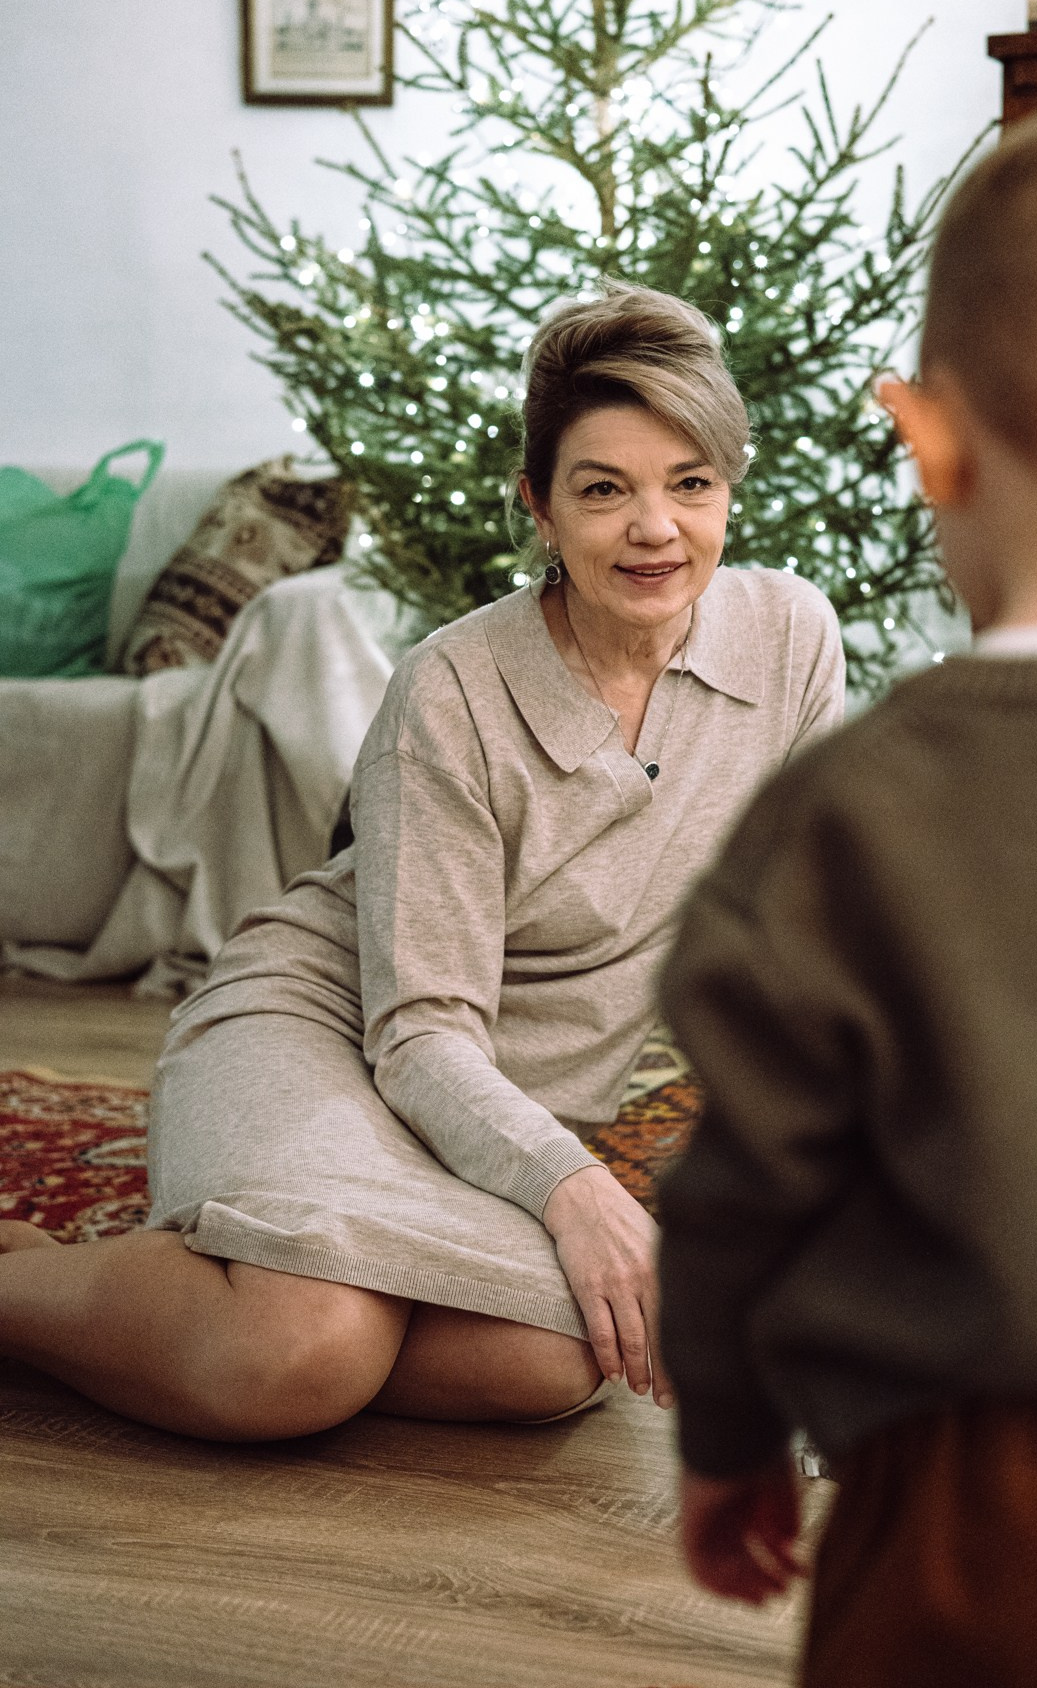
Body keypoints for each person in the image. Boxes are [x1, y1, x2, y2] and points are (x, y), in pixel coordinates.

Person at [657, 87, 1037, 1687]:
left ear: (929, 441)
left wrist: (726, 1439)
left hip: (977, 1515)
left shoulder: (846, 813)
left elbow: (741, 1192)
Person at [0, 285, 846, 1441]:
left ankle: (215, 1276)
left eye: (689, 484)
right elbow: (420, 1032)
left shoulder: (790, 637)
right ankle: (118, 1296)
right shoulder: (449, 692)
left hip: (504, 1096)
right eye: (604, 490)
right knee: (297, 1354)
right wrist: (576, 1190)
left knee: (558, 1359)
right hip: (334, 1027)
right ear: (538, 508)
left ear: (727, 493)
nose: (655, 529)